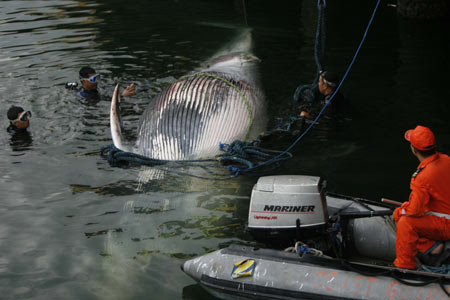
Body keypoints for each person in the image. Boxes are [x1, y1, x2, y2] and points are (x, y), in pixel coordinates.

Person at [393, 125, 450, 269]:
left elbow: (414, 212)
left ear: (414, 149)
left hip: (446, 224)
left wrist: (399, 212)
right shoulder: (446, 159)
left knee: (404, 222)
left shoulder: (422, 177)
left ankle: (404, 266)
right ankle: (433, 246)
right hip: (444, 215)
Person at [66, 66, 136, 102]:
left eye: (97, 78)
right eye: (93, 79)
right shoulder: (85, 96)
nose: (96, 82)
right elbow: (104, 100)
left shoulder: (98, 88)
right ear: (84, 81)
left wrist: (126, 89)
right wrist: (123, 96)